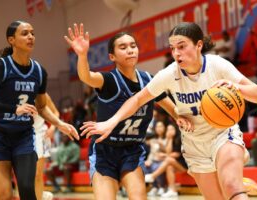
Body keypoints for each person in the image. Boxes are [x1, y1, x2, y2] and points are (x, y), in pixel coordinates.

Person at [81, 22, 257, 200]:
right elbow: (136, 99)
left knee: (232, 186)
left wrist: (235, 87)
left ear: (199, 45)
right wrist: (110, 122)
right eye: (173, 48)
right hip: (194, 144)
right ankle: (229, 183)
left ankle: (233, 183)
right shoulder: (168, 74)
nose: (176, 53)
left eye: (182, 47)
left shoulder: (217, 65)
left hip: (222, 134)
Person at [64, 23, 192, 200]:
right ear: (112, 56)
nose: (130, 50)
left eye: (133, 46)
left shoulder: (149, 80)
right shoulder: (108, 80)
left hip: (132, 150)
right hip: (105, 151)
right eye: (123, 48)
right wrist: (82, 55)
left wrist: (182, 118)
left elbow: (170, 107)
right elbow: (86, 76)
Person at [0, 20, 79, 200]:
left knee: (27, 188)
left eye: (32, 33)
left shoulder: (39, 71)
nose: (30, 36)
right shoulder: (1, 66)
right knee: (4, 194)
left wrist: (60, 123)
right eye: (24, 33)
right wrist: (14, 109)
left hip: (24, 137)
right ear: (11, 40)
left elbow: (42, 107)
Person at [145, 123, 188, 198]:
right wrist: (169, 139)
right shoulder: (170, 139)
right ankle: (172, 190)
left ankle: (153, 176)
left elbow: (176, 154)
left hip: (184, 165)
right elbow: (168, 152)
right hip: (175, 165)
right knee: (169, 167)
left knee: (168, 160)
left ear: (176, 130)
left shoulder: (180, 139)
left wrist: (164, 156)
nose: (170, 131)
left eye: (172, 129)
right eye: (168, 129)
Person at [34, 93, 59, 200]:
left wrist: (53, 127)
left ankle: (39, 196)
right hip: (21, 134)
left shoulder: (42, 94)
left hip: (39, 133)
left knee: (38, 174)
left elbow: (55, 112)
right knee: (24, 177)